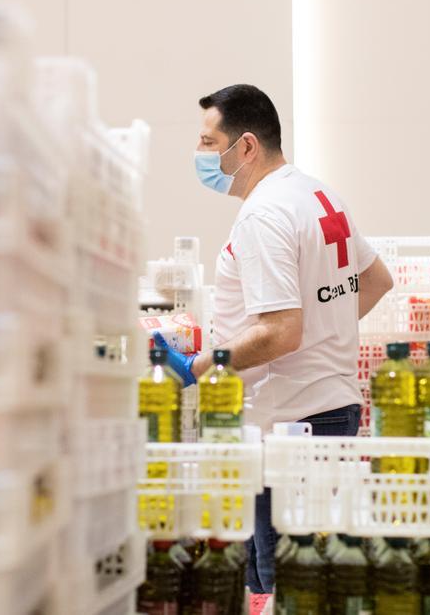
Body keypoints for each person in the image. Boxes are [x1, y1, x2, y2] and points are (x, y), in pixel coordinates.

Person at [154, 84, 393, 596]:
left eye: (205, 142)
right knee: (313, 579)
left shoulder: (264, 214)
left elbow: (280, 331)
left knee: (281, 587)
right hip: (334, 412)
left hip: (290, 425)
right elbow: (375, 283)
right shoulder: (318, 194)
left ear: (244, 147)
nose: (199, 155)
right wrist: (324, 334)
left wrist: (197, 365)